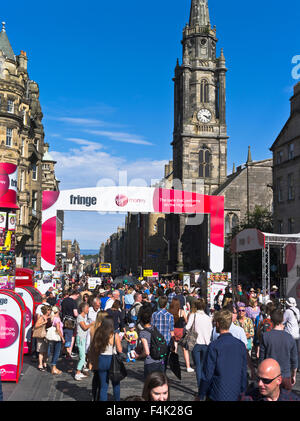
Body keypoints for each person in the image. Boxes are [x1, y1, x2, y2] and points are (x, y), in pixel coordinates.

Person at [198, 309, 248, 401]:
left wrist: (201, 394)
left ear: (217, 323)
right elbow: (243, 372)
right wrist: (243, 392)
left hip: (217, 394)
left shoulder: (214, 346)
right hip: (235, 393)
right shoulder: (240, 345)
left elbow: (207, 375)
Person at [259, 309, 298, 390]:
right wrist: (293, 375)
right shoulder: (290, 338)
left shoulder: (265, 336)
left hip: (269, 376)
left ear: (271, 320)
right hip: (285, 376)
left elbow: (261, 359)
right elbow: (294, 360)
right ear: (282, 320)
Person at [186, 298, 212, 389]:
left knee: (198, 367)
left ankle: (200, 387)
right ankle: (204, 387)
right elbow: (210, 331)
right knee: (204, 366)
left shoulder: (193, 315)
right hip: (206, 344)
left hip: (196, 343)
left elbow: (187, 327)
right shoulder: (208, 318)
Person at [95, 316, 123, 401]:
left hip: (101, 359)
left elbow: (96, 348)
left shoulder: (98, 334)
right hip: (112, 360)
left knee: (103, 386)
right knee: (116, 384)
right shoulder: (115, 335)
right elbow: (120, 349)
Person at [135, 309, 165, 378]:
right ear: (150, 319)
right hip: (160, 361)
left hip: (150, 362)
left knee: (150, 385)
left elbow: (147, 352)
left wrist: (138, 357)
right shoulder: (155, 329)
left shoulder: (143, 333)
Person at [168, 298, 193, 372]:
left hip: (173, 331)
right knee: (185, 349)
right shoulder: (181, 312)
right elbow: (186, 321)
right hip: (181, 331)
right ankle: (188, 366)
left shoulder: (170, 312)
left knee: (174, 348)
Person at [151, 296, 174, 368]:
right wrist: (173, 342)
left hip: (156, 340)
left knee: (156, 358)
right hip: (166, 340)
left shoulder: (154, 314)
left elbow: (152, 328)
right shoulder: (170, 316)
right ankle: (163, 373)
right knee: (165, 359)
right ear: (166, 304)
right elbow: (171, 330)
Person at [75, 302, 94, 380]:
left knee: (82, 355)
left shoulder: (84, 316)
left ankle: (80, 371)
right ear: (83, 309)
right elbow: (84, 327)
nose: (88, 310)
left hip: (84, 337)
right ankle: (77, 373)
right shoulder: (80, 317)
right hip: (80, 338)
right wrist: (91, 324)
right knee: (83, 357)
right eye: (87, 308)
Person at [61, 289, 80, 358]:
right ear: (75, 294)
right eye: (77, 296)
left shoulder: (64, 300)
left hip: (63, 320)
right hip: (71, 322)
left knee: (64, 336)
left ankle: (63, 351)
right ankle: (69, 352)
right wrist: (80, 316)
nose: (77, 298)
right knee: (72, 336)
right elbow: (75, 313)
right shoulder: (73, 302)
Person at [284, 297, 300, 370]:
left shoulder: (287, 311)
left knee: (289, 352)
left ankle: (290, 366)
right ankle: (297, 367)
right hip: (296, 334)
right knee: (296, 352)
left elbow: (282, 321)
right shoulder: (297, 310)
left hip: (289, 334)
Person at [48, 306, 65, 375]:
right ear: (57, 311)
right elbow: (58, 329)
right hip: (57, 337)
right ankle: (54, 367)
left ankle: (53, 367)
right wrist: (62, 337)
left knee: (54, 351)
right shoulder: (57, 319)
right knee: (57, 352)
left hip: (54, 337)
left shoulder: (52, 318)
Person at [34, 305, 52, 371]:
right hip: (41, 335)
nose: (50, 311)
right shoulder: (41, 317)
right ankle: (40, 364)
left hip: (46, 335)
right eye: (49, 310)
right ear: (46, 311)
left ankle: (44, 363)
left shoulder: (49, 317)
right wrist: (43, 323)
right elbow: (36, 326)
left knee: (46, 351)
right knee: (41, 351)